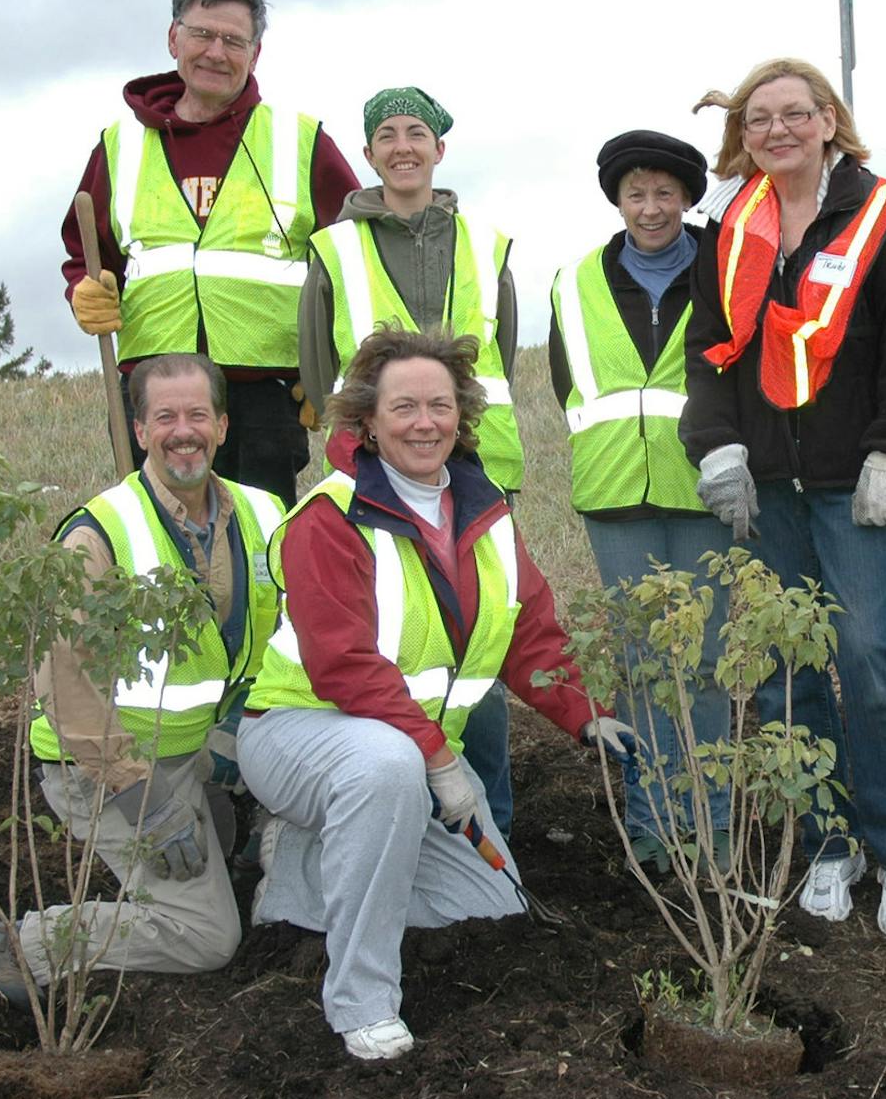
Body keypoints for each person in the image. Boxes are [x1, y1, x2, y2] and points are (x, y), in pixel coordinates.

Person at [236, 326, 635, 1061]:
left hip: (407, 752)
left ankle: (301, 873)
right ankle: (362, 1000)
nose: (426, 422)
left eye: (441, 405)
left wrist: (586, 718)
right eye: (405, 407)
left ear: (462, 413)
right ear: (367, 419)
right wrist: (437, 761)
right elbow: (345, 663)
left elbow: (531, 633)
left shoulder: (485, 514)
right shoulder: (331, 517)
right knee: (383, 766)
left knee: (491, 904)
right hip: (301, 735)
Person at [682, 56, 886, 937]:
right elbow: (710, 348)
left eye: (796, 114)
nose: (777, 131)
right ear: (741, 135)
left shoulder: (882, 214)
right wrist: (717, 445)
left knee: (868, 656)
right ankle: (833, 841)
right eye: (759, 119)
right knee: (794, 668)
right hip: (769, 488)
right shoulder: (734, 226)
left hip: (852, 483)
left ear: (829, 121)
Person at [0, 353, 285, 1002]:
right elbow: (68, 687)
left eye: (197, 414)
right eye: (165, 416)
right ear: (140, 430)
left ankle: (218, 823)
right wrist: (148, 803)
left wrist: (240, 725)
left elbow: (292, 639)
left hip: (196, 748)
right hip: (107, 768)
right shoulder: (99, 532)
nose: (182, 430)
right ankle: (24, 944)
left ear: (222, 425)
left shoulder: (266, 514)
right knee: (208, 935)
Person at [297, 85, 525, 835]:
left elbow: (503, 365)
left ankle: (491, 824)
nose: (403, 145)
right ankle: (399, 816)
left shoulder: (486, 245)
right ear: (368, 153)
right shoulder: (333, 249)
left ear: (439, 149)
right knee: (391, 640)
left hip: (477, 477)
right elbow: (316, 363)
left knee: (481, 649)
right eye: (387, 133)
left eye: (417, 132)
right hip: (375, 479)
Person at [60, 0, 360, 506]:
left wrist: (332, 369)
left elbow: (356, 262)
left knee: (261, 544)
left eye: (233, 40)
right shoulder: (119, 145)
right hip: (154, 388)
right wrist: (84, 286)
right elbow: (87, 252)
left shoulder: (299, 140)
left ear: (256, 53)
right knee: (157, 541)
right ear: (174, 37)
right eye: (202, 34)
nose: (216, 52)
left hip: (265, 396)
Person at [548, 130, 732, 873]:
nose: (650, 208)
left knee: (708, 661)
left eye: (665, 193)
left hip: (705, 492)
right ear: (616, 199)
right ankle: (654, 824)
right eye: (635, 194)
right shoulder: (573, 280)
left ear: (687, 197)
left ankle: (714, 825)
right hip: (615, 494)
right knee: (642, 662)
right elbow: (566, 381)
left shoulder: (724, 270)